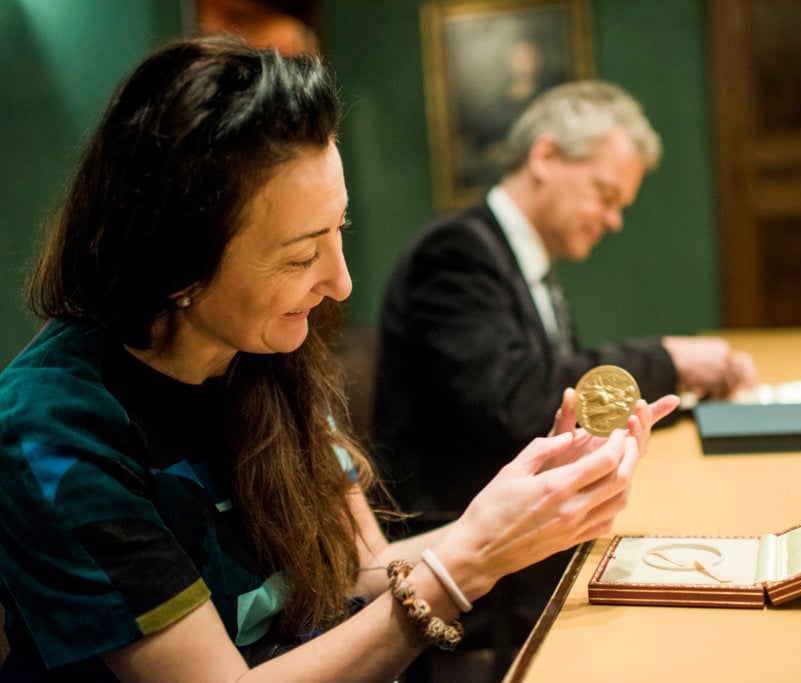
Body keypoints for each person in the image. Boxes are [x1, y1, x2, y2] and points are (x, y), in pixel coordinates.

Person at [0, 36, 679, 681]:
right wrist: (468, 560)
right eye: (301, 255)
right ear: (176, 264)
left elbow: (355, 575)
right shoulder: (55, 429)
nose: (341, 283)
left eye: (339, 232)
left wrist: (527, 512)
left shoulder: (265, 348)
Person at [371, 80, 756, 673]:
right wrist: (670, 359)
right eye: (606, 194)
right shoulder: (455, 254)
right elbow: (517, 397)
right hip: (450, 542)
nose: (615, 219)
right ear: (546, 157)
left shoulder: (527, 262)